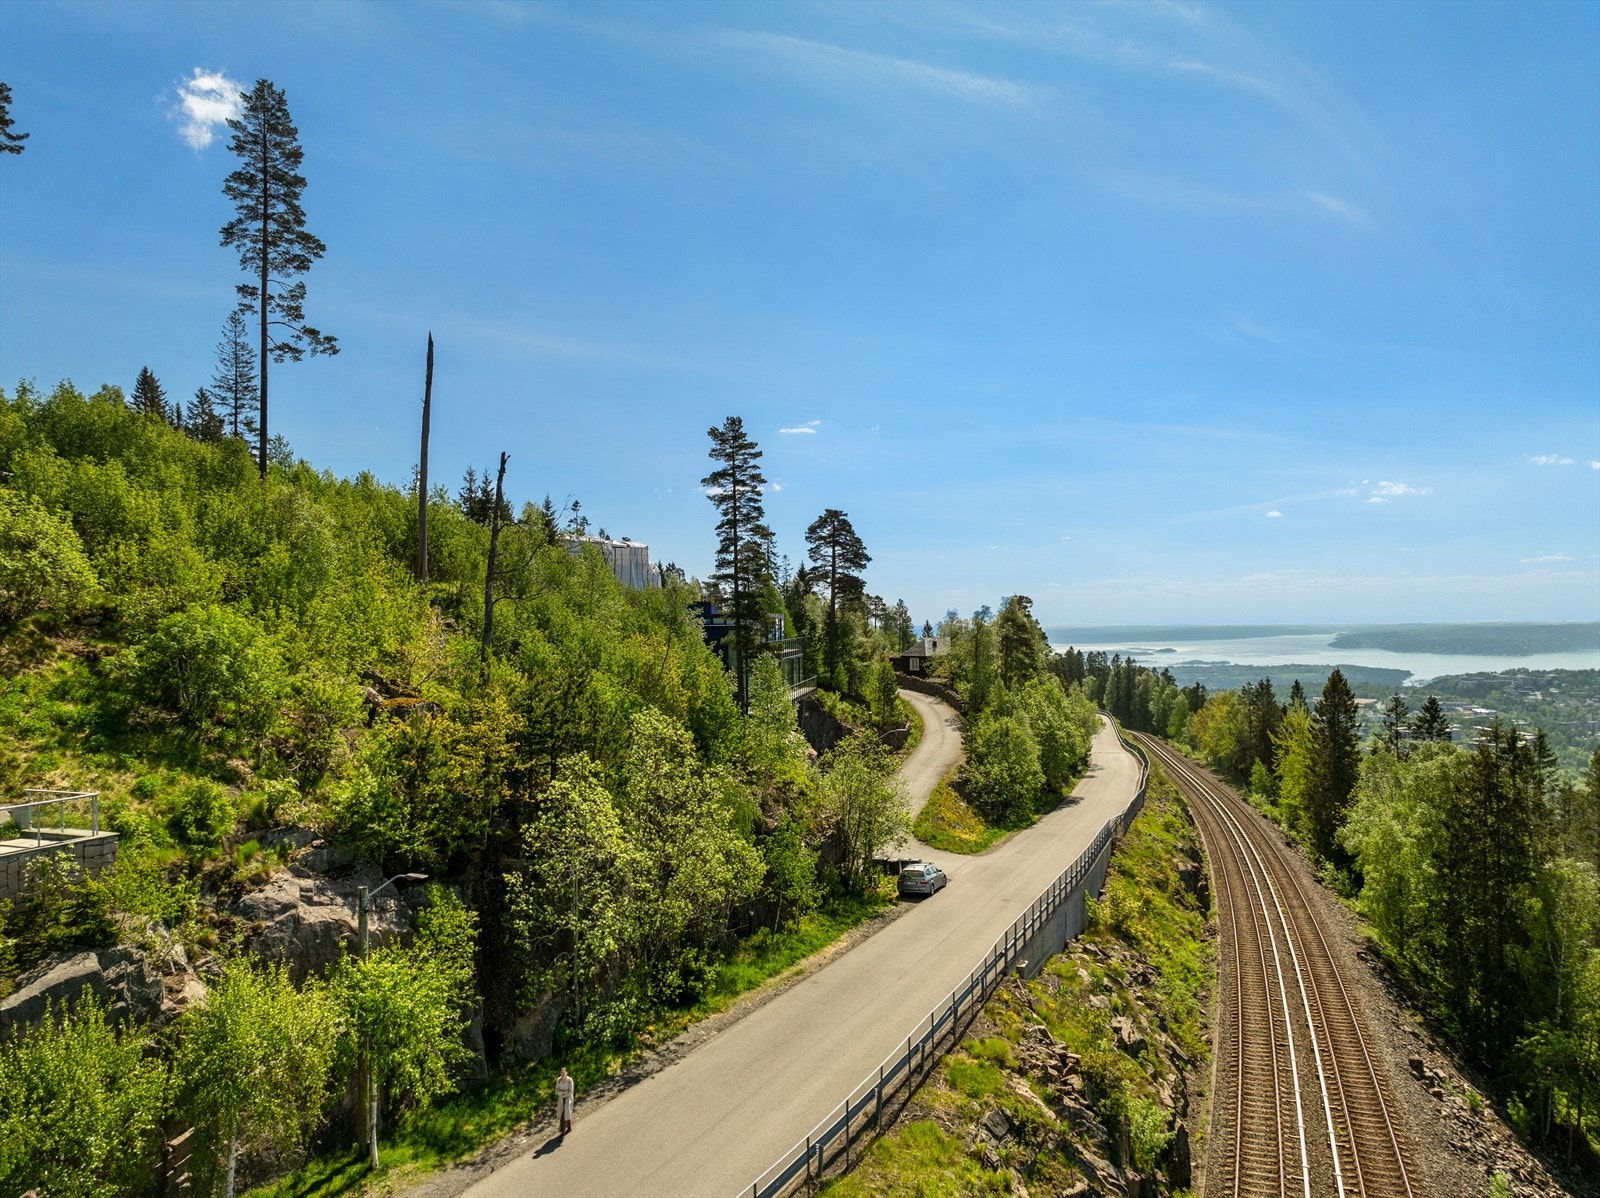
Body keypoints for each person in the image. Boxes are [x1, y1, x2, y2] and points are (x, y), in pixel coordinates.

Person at [554, 1066, 575, 1136]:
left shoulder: (569, 1080)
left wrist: (565, 1093)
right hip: (561, 1099)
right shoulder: (558, 1080)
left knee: (564, 1115)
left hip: (568, 1099)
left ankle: (562, 1131)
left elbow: (571, 1091)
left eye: (564, 1072)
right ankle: (569, 1127)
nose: (562, 1074)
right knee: (564, 1114)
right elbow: (556, 1091)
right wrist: (562, 1093)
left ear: (566, 1073)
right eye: (561, 1072)